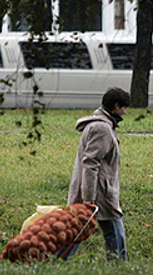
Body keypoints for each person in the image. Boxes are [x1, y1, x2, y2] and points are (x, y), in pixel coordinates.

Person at [57, 87, 131, 261]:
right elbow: (91, 164)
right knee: (113, 230)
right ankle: (119, 266)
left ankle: (54, 263)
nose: (125, 113)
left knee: (78, 231)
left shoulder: (101, 124)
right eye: (124, 108)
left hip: (98, 189)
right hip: (99, 192)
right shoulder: (102, 128)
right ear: (116, 106)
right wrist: (88, 198)